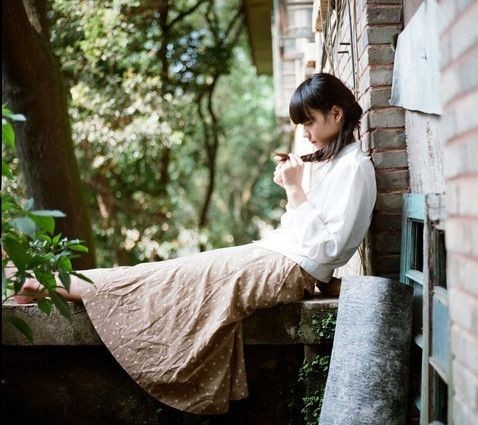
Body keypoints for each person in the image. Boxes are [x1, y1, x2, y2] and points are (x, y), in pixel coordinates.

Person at [13, 73, 376, 415]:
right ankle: (49, 282)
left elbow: (329, 248)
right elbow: (302, 232)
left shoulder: (355, 168)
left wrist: (295, 191)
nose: (306, 133)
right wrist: (293, 192)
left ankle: (46, 283)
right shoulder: (331, 164)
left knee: (176, 280)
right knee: (169, 272)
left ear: (336, 114)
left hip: (285, 266)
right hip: (274, 254)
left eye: (309, 122)